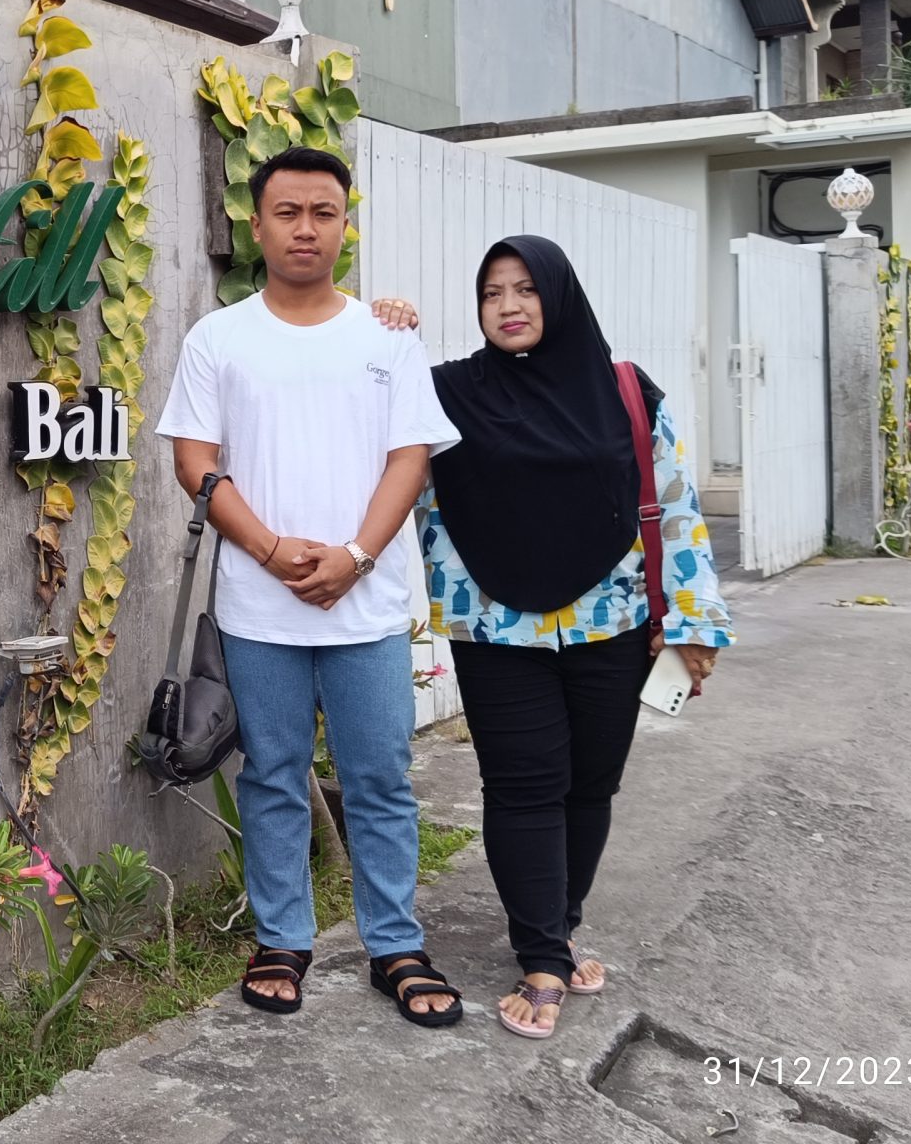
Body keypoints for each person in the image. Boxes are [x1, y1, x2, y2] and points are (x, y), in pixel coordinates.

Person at [155, 146, 467, 1027]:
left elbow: (411, 458)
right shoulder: (218, 338)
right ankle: (282, 939)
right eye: (287, 212)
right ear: (256, 226)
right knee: (273, 776)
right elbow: (194, 460)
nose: (305, 228)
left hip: (367, 608)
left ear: (344, 225)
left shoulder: (388, 336)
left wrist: (356, 556)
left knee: (380, 778)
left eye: (322, 212)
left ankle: (395, 945)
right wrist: (269, 549)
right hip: (260, 610)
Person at [415, 235, 735, 1039]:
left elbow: (676, 504)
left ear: (558, 296)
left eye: (526, 289)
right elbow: (371, 423)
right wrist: (381, 327)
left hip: (613, 621)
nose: (509, 306)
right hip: (496, 626)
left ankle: (559, 925)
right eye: (492, 293)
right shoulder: (445, 394)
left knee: (592, 785)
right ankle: (541, 959)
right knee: (523, 786)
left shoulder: (625, 391)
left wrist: (693, 622)